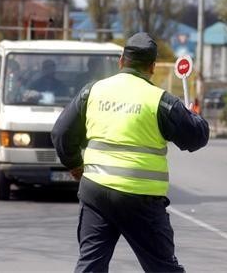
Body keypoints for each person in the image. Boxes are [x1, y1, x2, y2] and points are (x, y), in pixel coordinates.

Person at [51, 32, 209, 272]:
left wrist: (75, 166)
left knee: (91, 266)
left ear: (121, 61)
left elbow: (61, 133)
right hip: (140, 199)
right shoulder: (161, 101)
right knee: (163, 268)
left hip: (96, 193)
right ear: (153, 67)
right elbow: (197, 137)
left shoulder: (93, 91)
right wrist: (191, 115)